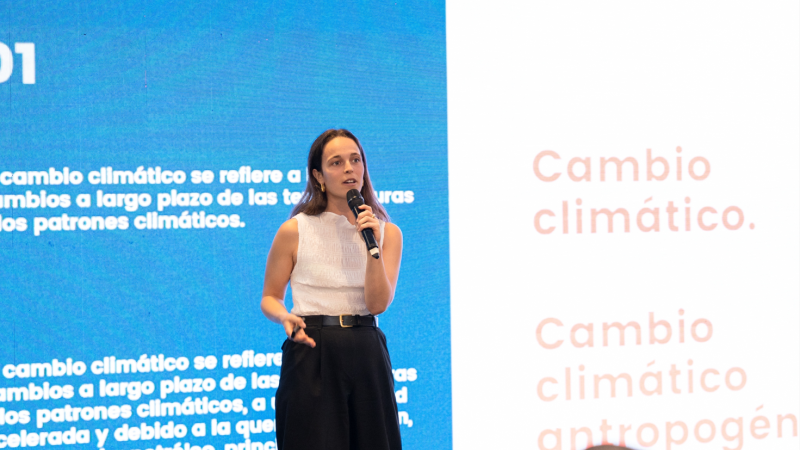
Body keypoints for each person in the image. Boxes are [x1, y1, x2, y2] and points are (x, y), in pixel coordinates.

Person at [260, 129, 404, 450]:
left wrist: (371, 245)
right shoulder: (295, 230)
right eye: (336, 162)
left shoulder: (387, 233)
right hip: (313, 349)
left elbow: (377, 304)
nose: (349, 169)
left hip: (367, 350)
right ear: (318, 175)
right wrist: (284, 316)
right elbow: (270, 297)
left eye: (355, 160)